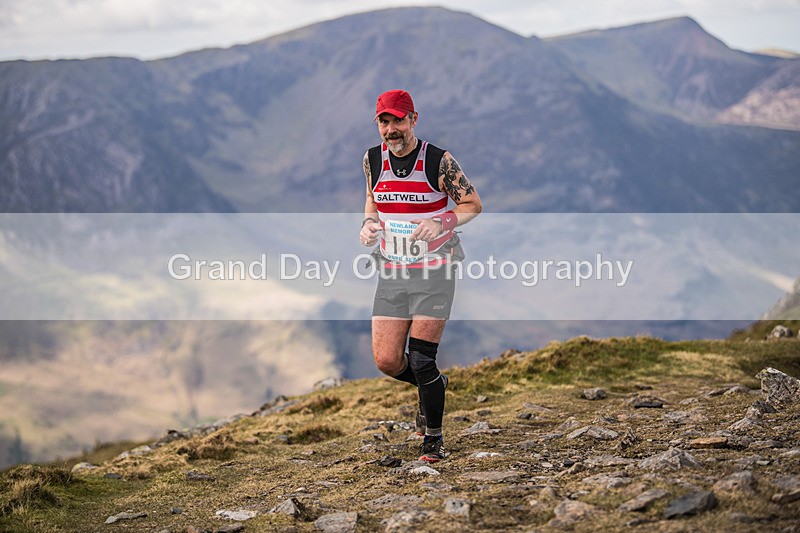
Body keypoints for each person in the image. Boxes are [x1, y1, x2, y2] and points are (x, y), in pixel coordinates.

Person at [359, 89, 482, 463]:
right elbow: (372, 199)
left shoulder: (438, 161)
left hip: (435, 270)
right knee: (388, 360)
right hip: (393, 270)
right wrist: (368, 223)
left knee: (422, 360)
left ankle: (433, 438)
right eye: (385, 121)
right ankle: (435, 388)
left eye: (398, 120)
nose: (392, 129)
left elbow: (473, 203)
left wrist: (440, 220)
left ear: (413, 119)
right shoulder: (371, 160)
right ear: (378, 124)